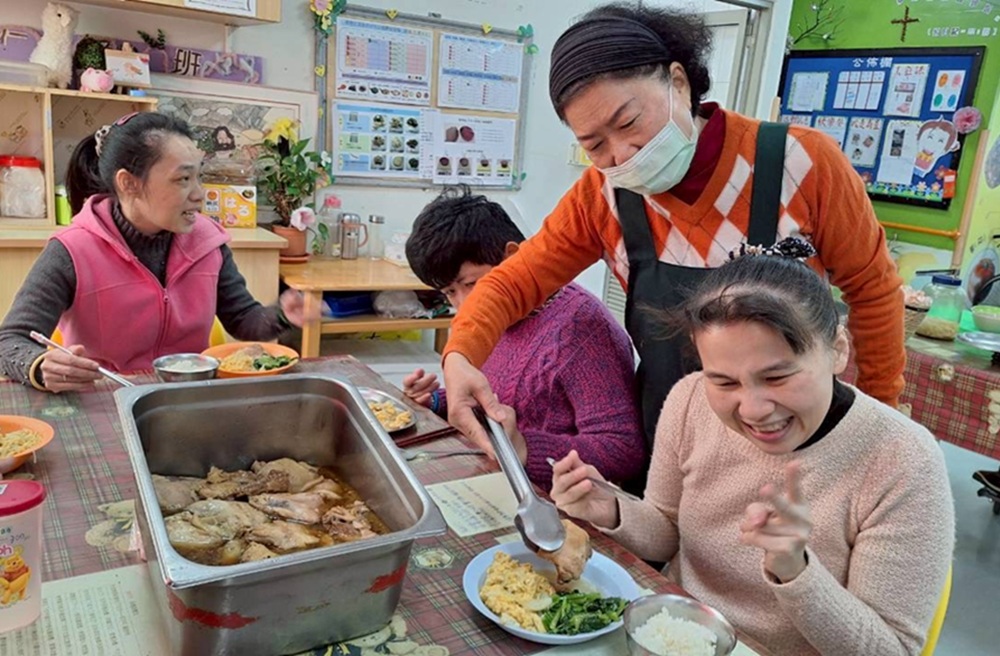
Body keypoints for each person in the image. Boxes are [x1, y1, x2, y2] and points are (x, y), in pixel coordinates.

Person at [439, 2, 905, 455]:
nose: (622, 154)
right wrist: (460, 356)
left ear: (678, 82)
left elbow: (873, 292)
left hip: (790, 433)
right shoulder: (602, 196)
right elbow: (513, 282)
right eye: (595, 145)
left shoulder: (801, 163)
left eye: (628, 121)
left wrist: (877, 419)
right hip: (673, 443)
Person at [550, 240, 954, 656]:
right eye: (724, 382)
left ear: (837, 350)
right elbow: (666, 531)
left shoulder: (902, 459)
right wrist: (611, 508)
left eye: (777, 377)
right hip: (677, 634)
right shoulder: (690, 399)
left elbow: (891, 649)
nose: (753, 410)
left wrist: (796, 572)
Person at [0, 112, 311, 393]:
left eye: (199, 176)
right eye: (183, 179)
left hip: (186, 395)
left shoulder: (208, 242)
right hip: (106, 398)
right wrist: (40, 366)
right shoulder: (72, 250)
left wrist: (282, 314)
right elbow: (10, 341)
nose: (199, 194)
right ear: (129, 183)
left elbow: (243, 318)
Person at [403, 187, 645, 487]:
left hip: (551, 499)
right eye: (450, 292)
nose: (465, 304)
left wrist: (525, 449)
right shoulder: (481, 324)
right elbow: (499, 396)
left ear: (513, 257)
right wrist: (439, 400)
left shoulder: (582, 328)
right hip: (491, 477)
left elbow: (623, 452)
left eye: (472, 284)